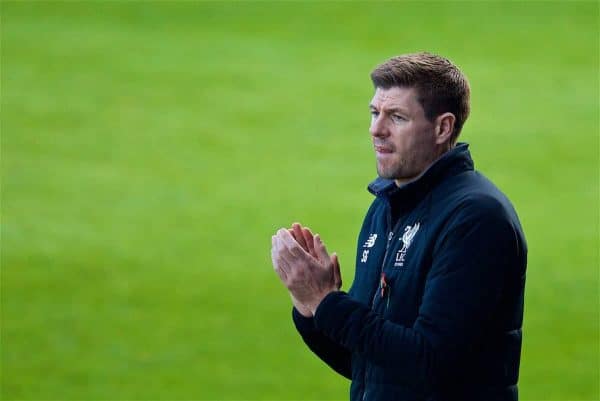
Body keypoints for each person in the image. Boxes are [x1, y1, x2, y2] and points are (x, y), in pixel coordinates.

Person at [270, 52, 527, 401]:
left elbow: (430, 361)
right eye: (375, 113)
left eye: (397, 117)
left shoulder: (477, 219)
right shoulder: (386, 208)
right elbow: (368, 363)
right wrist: (309, 306)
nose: (377, 129)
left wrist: (327, 302)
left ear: (442, 128)